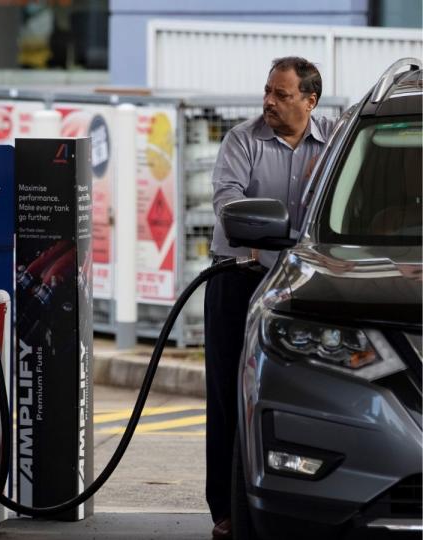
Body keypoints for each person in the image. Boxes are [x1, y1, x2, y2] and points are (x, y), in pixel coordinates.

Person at [204, 56, 335, 539]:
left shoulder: (335, 142)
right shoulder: (244, 140)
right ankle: (226, 508)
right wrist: (270, 241)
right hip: (240, 279)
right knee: (228, 398)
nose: (269, 102)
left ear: (310, 100)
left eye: (282, 95)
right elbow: (228, 202)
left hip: (311, 288)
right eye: (268, 91)